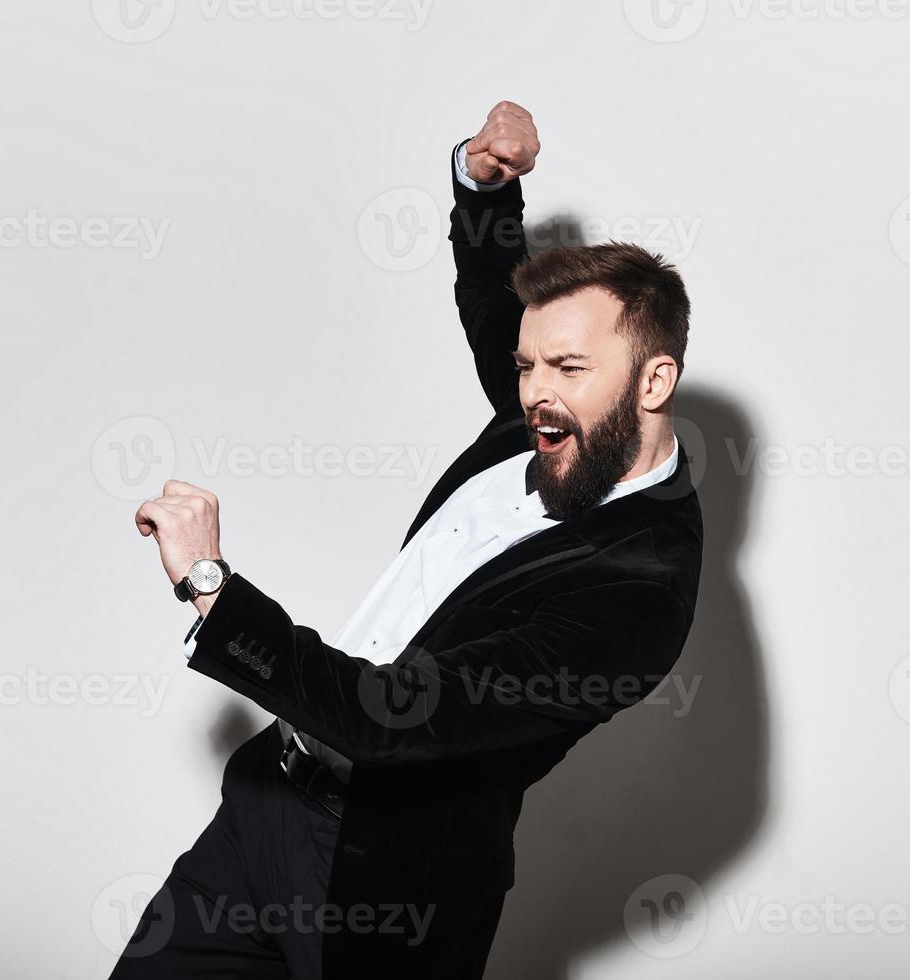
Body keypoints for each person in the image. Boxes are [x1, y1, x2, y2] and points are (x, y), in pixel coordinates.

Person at [113, 100, 702, 979]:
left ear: (654, 380)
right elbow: (493, 286)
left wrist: (210, 584)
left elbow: (387, 719)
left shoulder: (639, 587)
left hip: (384, 893)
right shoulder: (548, 416)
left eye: (568, 369)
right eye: (526, 365)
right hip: (264, 804)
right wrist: (486, 183)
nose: (535, 391)